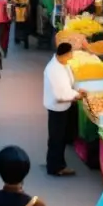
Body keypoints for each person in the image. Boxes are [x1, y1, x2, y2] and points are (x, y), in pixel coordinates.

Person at [43, 42, 82, 176]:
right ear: (65, 54)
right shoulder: (54, 70)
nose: (72, 56)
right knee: (57, 138)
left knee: (58, 137)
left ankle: (52, 162)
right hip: (58, 108)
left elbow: (68, 85)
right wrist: (77, 96)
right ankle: (56, 167)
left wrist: (76, 91)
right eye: (71, 53)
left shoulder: (63, 65)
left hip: (64, 106)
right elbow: (59, 96)